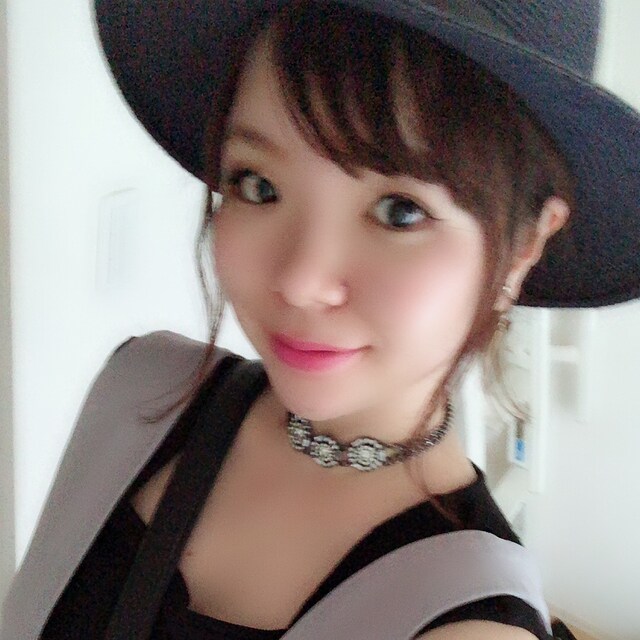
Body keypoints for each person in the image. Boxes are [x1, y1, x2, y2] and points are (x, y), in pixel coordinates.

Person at [2, 1, 639, 639]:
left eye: (399, 211)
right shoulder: (137, 395)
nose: (301, 282)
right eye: (258, 184)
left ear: (525, 245)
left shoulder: (469, 626)